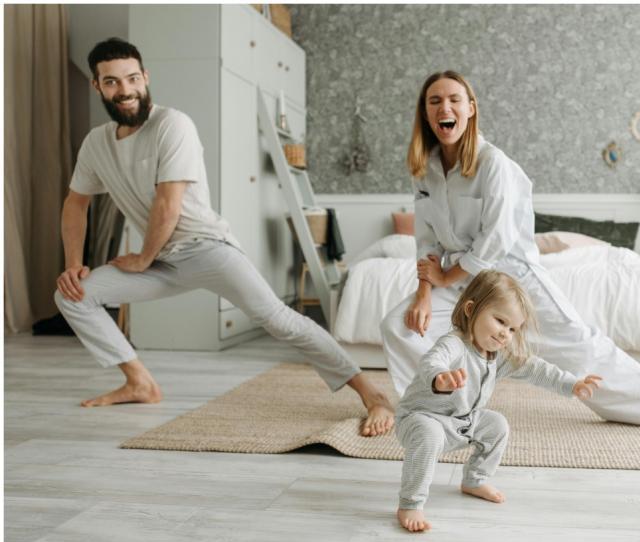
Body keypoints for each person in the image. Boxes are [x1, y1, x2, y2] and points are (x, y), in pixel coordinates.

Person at [54, 37, 394, 437]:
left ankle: (372, 394)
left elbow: (169, 204)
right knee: (72, 295)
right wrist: (74, 265)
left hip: (204, 250)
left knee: (280, 321)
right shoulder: (97, 144)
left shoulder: (172, 124)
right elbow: (75, 204)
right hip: (157, 261)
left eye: (132, 79)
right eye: (112, 82)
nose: (125, 90)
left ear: (145, 77)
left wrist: (143, 258)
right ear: (97, 86)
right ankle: (139, 382)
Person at [381, 70, 640, 439]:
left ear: (471, 109)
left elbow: (496, 238)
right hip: (456, 279)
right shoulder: (424, 170)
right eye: (434, 101)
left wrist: (448, 276)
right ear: (425, 114)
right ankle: (434, 410)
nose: (445, 107)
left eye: (454, 99)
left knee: (579, 344)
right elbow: (426, 240)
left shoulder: (494, 164)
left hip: (509, 275)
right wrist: (426, 291)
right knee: (401, 326)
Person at [395, 270, 601, 532]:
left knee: (497, 425)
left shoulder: (498, 355)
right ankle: (410, 503)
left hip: (462, 420)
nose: (505, 333)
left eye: (513, 328)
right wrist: (440, 378)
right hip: (421, 418)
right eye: (500, 321)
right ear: (471, 309)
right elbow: (432, 361)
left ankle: (474, 479)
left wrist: (572, 384)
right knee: (429, 435)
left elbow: (537, 369)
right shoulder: (455, 344)